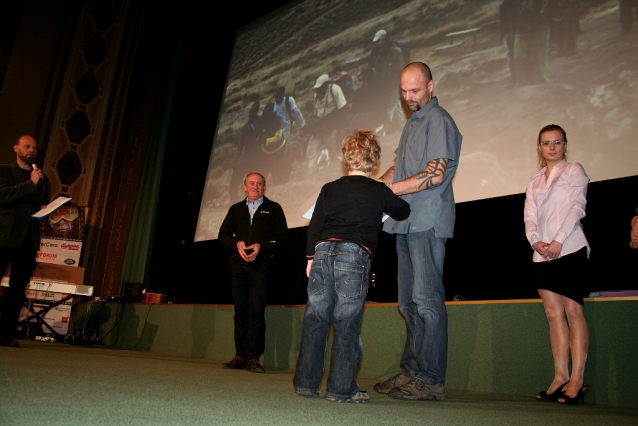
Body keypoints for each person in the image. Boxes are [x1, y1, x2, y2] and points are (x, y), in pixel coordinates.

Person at [293, 130, 410, 403]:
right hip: (354, 257)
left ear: (346, 159)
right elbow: (403, 211)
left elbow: (315, 227)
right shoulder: (378, 189)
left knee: (315, 321)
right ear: (374, 161)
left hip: (322, 253)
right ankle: (340, 389)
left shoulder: (329, 188)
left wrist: (310, 259)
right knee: (346, 325)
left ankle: (305, 384)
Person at [374, 62, 462, 401]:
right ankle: (411, 372)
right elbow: (397, 169)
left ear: (430, 85)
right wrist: (371, 188)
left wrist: (389, 192)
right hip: (404, 223)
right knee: (408, 302)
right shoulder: (413, 123)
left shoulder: (439, 120)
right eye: (404, 91)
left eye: (415, 90)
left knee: (427, 302)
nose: (409, 97)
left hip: (427, 221)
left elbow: (435, 174)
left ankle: (430, 379)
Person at [524, 124, 590, 405]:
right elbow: (530, 216)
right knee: (553, 315)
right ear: (539, 147)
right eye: (546, 143)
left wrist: (560, 241)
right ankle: (560, 376)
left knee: (573, 311)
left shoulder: (574, 170)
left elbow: (577, 207)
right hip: (542, 253)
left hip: (570, 248)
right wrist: (535, 241)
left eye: (557, 142)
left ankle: (577, 380)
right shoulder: (535, 180)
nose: (552, 147)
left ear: (565, 145)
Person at [218, 172, 288, 373]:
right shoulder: (235, 209)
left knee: (256, 311)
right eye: (252, 183)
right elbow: (222, 237)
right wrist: (236, 243)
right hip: (238, 267)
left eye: (259, 184)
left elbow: (282, 237)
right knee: (240, 312)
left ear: (264, 187)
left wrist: (261, 246)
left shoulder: (273, 209)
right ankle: (240, 356)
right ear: (244, 187)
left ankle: (253, 358)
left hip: (261, 267)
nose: (256, 186)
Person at [0, 135, 49, 347]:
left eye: (35, 148)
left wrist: (44, 210)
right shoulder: (4, 171)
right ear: (16, 148)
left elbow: (37, 203)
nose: (31, 151)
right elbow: (3, 196)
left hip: (28, 239)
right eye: (27, 146)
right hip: (4, 236)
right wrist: (31, 183)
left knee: (17, 289)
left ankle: (5, 334)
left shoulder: (41, 178)